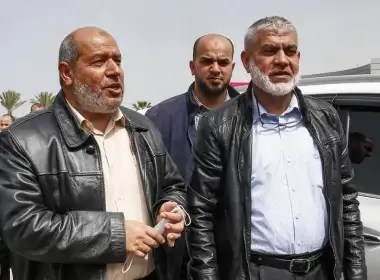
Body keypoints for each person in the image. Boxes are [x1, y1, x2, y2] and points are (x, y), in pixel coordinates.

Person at [0, 27, 187, 280]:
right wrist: (115, 234)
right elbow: (23, 228)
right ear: (67, 73)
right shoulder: (23, 139)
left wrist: (171, 208)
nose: (114, 71)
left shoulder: (143, 128)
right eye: (99, 61)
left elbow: (172, 186)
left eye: (118, 61)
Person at [187, 16, 366, 280]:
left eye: (290, 51)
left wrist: (356, 272)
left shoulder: (325, 118)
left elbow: (347, 201)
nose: (282, 60)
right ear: (247, 61)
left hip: (321, 269)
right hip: (256, 271)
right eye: (269, 50)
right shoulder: (219, 125)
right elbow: (201, 213)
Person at [144, 34, 240, 184]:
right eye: (207, 61)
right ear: (192, 67)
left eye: (223, 62)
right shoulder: (159, 117)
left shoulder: (250, 114)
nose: (215, 69)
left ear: (232, 68)